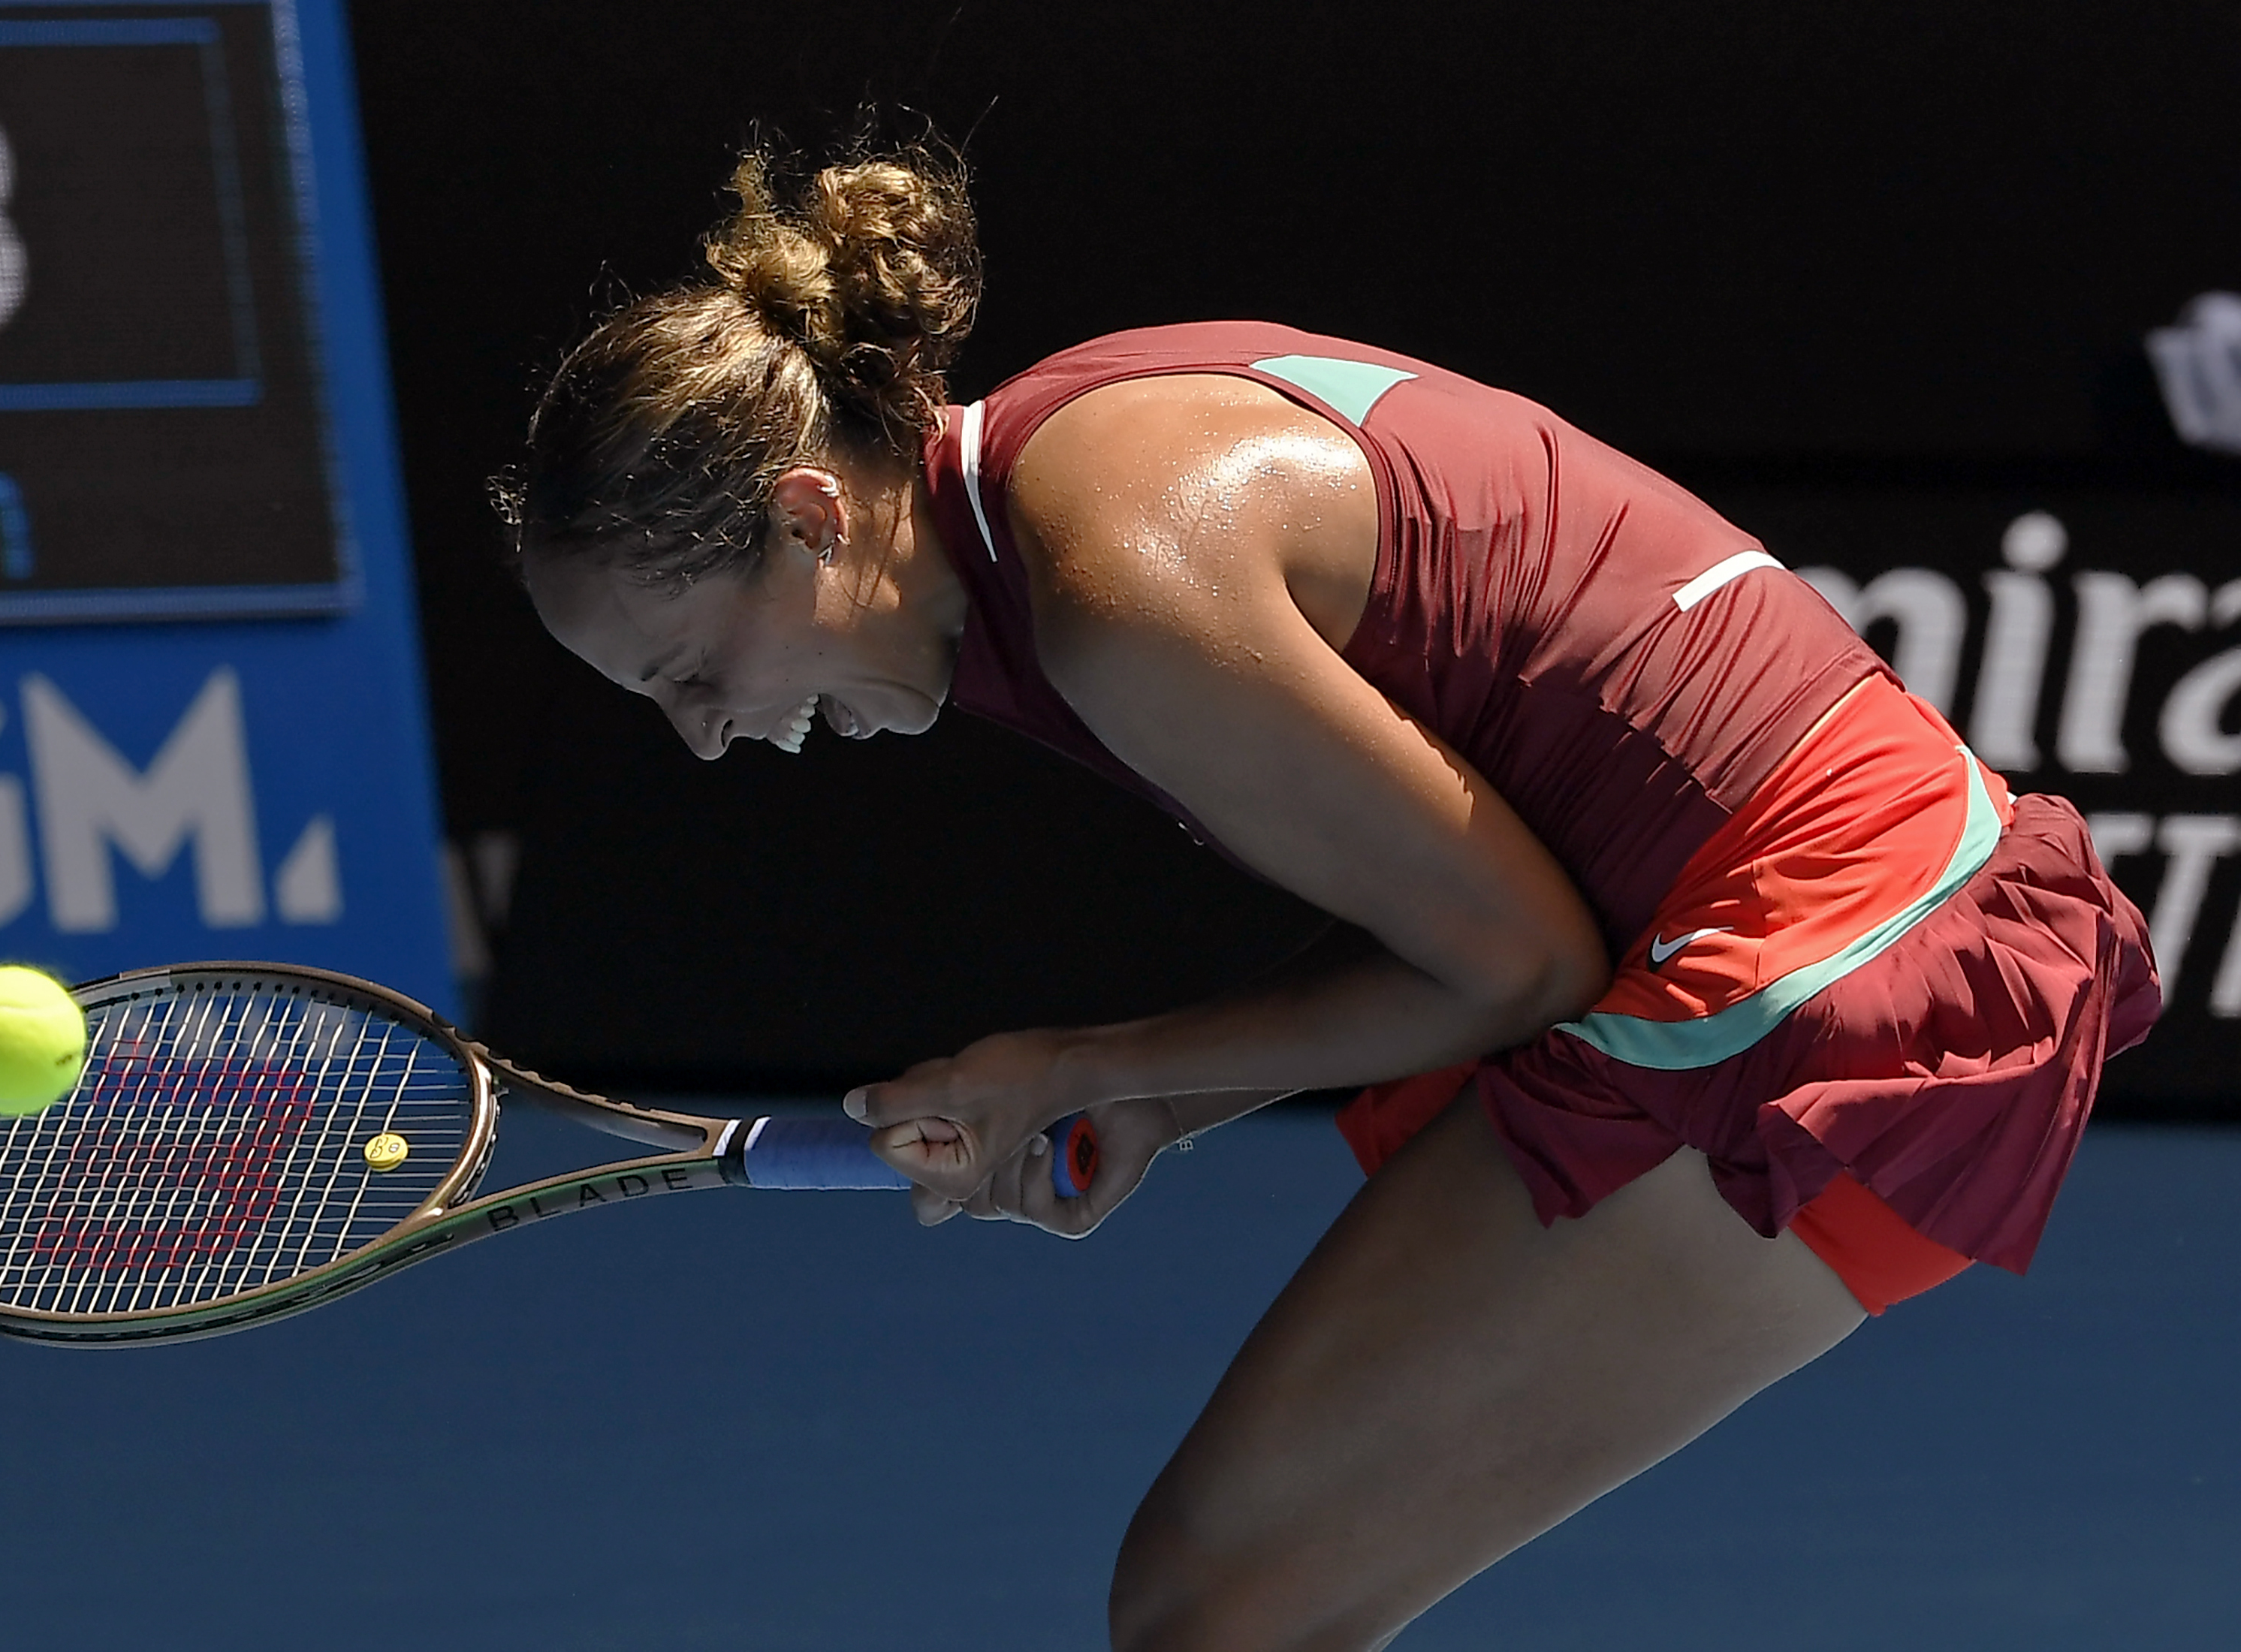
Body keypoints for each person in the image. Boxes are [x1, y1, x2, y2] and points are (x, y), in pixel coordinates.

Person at [496, 146, 2159, 1651]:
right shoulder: (1057, 466)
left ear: (806, 518)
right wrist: (1160, 1097)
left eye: (694, 668)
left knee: (1223, 1605)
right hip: (1863, 913)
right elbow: (1460, 898)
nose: (707, 740)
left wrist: (1083, 1065)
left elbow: (1508, 960)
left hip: (1836, 974)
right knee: (1248, 1601)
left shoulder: (1114, 580)